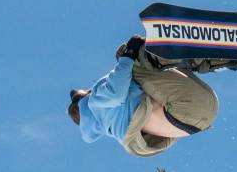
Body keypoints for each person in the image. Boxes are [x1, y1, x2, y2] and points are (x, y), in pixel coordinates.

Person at [68, 37, 221, 158]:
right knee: (129, 59)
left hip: (201, 117)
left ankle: (210, 59)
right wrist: (129, 54)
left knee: (149, 69)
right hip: (186, 105)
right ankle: (200, 54)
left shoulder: (112, 124)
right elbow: (115, 93)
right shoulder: (94, 102)